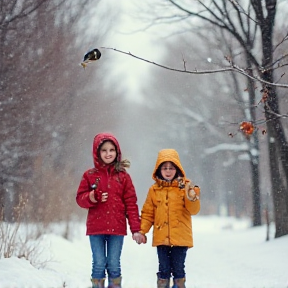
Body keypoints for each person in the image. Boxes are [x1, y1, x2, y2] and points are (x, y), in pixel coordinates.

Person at [76, 132, 145, 288]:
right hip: (96, 228)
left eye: (111, 150)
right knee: (99, 264)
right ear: (97, 153)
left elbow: (131, 204)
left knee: (114, 264)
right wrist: (92, 197)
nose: (108, 154)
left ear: (117, 152)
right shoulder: (90, 175)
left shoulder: (123, 177)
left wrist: (136, 228)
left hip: (117, 228)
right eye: (104, 150)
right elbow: (80, 199)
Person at [139, 149, 201, 288]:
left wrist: (192, 197)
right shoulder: (154, 190)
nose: (168, 171)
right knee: (164, 269)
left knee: (179, 269)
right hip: (162, 238)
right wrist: (142, 231)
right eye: (164, 168)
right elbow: (148, 213)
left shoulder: (185, 187)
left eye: (171, 168)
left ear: (177, 168)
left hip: (180, 238)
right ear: (158, 169)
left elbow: (194, 210)